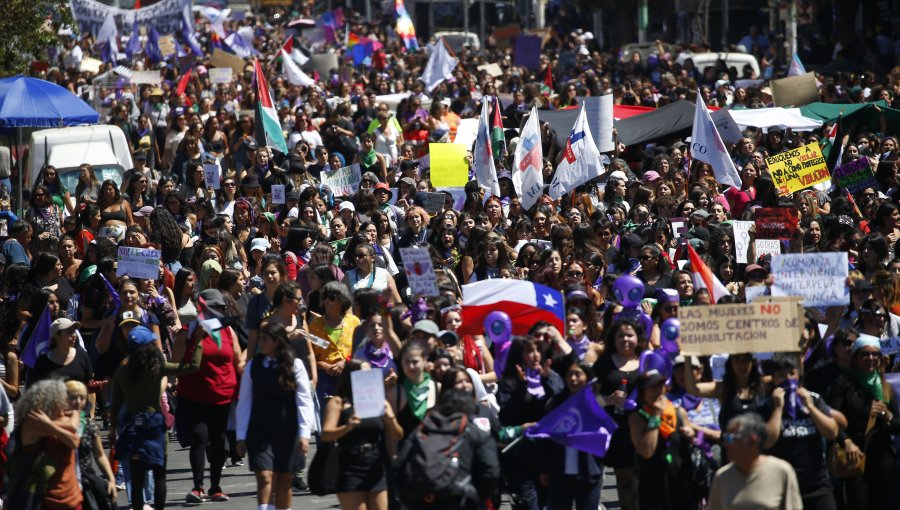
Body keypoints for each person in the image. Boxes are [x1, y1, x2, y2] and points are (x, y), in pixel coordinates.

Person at [109, 325, 204, 510]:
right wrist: (198, 342)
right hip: (154, 426)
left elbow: (116, 404)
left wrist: (113, 427)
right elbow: (192, 366)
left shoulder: (122, 371)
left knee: (137, 480)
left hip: (132, 427)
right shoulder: (158, 367)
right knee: (160, 474)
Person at [173, 289, 244, 504]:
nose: (219, 311)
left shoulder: (228, 331)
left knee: (218, 441)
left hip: (223, 396)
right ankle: (197, 487)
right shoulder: (187, 332)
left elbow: (238, 360)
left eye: (221, 308)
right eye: (215, 307)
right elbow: (176, 365)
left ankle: (215, 486)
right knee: (199, 438)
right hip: (195, 395)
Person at [236, 320, 316, 510]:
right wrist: (240, 436)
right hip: (260, 430)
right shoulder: (253, 366)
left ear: (278, 342)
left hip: (287, 430)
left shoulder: (294, 365)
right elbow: (244, 402)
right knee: (264, 476)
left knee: (284, 479)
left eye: (265, 339)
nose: (260, 343)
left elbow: (304, 400)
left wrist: (305, 434)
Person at [321, 359, 403, 510]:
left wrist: (390, 420)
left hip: (375, 463)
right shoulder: (339, 403)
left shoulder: (379, 401)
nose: (367, 378)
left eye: (369, 374)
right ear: (351, 376)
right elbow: (326, 434)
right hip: (349, 463)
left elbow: (398, 435)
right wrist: (347, 427)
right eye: (362, 374)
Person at [6, 379, 82, 509]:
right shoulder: (32, 422)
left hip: (71, 498)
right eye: (63, 398)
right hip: (43, 499)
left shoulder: (58, 419)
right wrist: (54, 426)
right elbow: (73, 440)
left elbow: (74, 436)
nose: (67, 402)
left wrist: (50, 425)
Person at [707, 413, 803, 510]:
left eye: (732, 438)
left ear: (752, 441)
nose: (726, 444)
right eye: (726, 438)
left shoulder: (781, 471)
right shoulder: (722, 477)